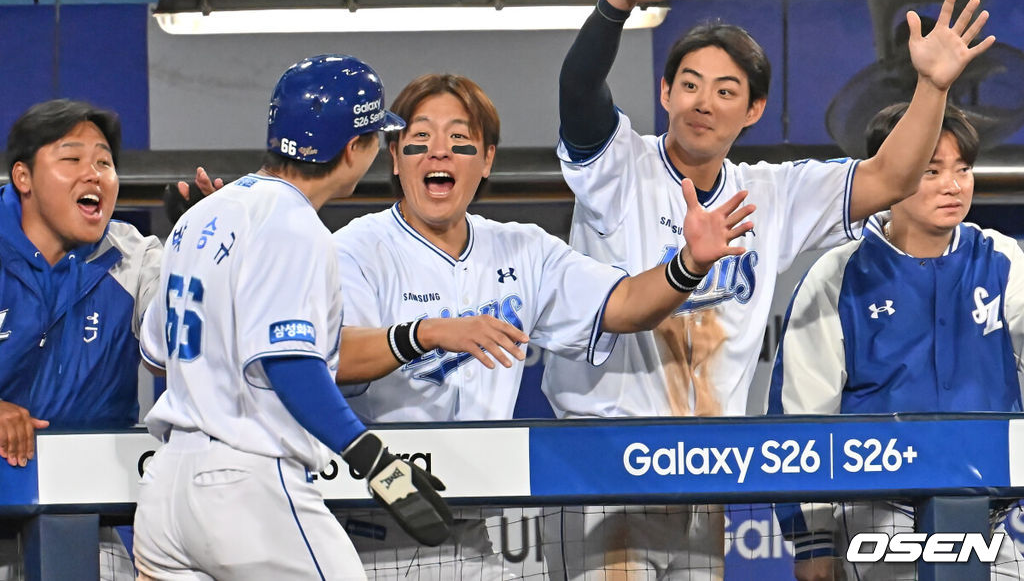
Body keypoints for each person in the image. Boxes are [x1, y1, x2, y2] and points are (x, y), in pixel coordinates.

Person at [540, 0, 997, 579]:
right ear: (665, 92)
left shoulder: (773, 194)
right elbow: (578, 93)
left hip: (702, 478)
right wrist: (615, 5)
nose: (703, 101)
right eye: (689, 84)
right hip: (604, 467)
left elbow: (891, 176)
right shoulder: (619, 167)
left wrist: (932, 86)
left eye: (726, 90)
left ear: (752, 110)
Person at [331, 71, 756, 579]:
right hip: (366, 523)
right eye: (419, 139)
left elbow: (622, 304)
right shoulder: (355, 248)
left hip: (467, 530)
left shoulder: (522, 248)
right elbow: (333, 359)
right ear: (395, 157)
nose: (438, 152)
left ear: (487, 159)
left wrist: (689, 264)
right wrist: (427, 333)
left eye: (460, 140)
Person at [132, 55, 480, 581]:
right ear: (352, 149)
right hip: (246, 485)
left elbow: (156, 355)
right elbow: (289, 362)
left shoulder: (205, 213)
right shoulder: (294, 224)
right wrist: (373, 458)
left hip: (165, 492)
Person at [768, 103, 1024, 581]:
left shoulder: (1002, 259)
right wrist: (812, 540)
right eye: (931, 171)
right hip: (880, 512)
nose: (954, 185)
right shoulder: (839, 275)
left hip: (989, 515)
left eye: (962, 169)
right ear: (895, 172)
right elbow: (801, 413)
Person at [0, 98, 163, 581]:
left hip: (85, 513)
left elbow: (181, 349)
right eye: (71, 159)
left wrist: (199, 259)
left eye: (104, 162)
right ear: (23, 178)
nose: (92, 174)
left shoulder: (136, 256)